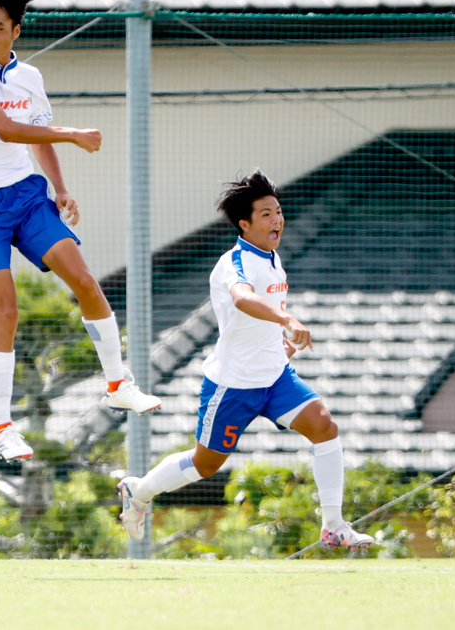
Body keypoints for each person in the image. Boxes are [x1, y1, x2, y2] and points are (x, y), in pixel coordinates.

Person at [0, 0, 161, 462]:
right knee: (6, 313)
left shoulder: (28, 78)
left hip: (27, 197)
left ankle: (118, 384)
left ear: (16, 32)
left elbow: (35, 136)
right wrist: (75, 132)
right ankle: (4, 429)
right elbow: (7, 128)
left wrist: (61, 188)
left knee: (86, 281)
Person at [117, 170, 374, 552]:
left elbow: (260, 319)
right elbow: (241, 299)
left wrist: (281, 344)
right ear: (245, 224)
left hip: (274, 378)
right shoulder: (233, 262)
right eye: (266, 214)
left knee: (324, 426)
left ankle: (334, 526)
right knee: (206, 465)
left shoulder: (273, 259)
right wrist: (288, 319)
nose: (278, 220)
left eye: (279, 211)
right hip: (232, 386)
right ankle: (139, 491)